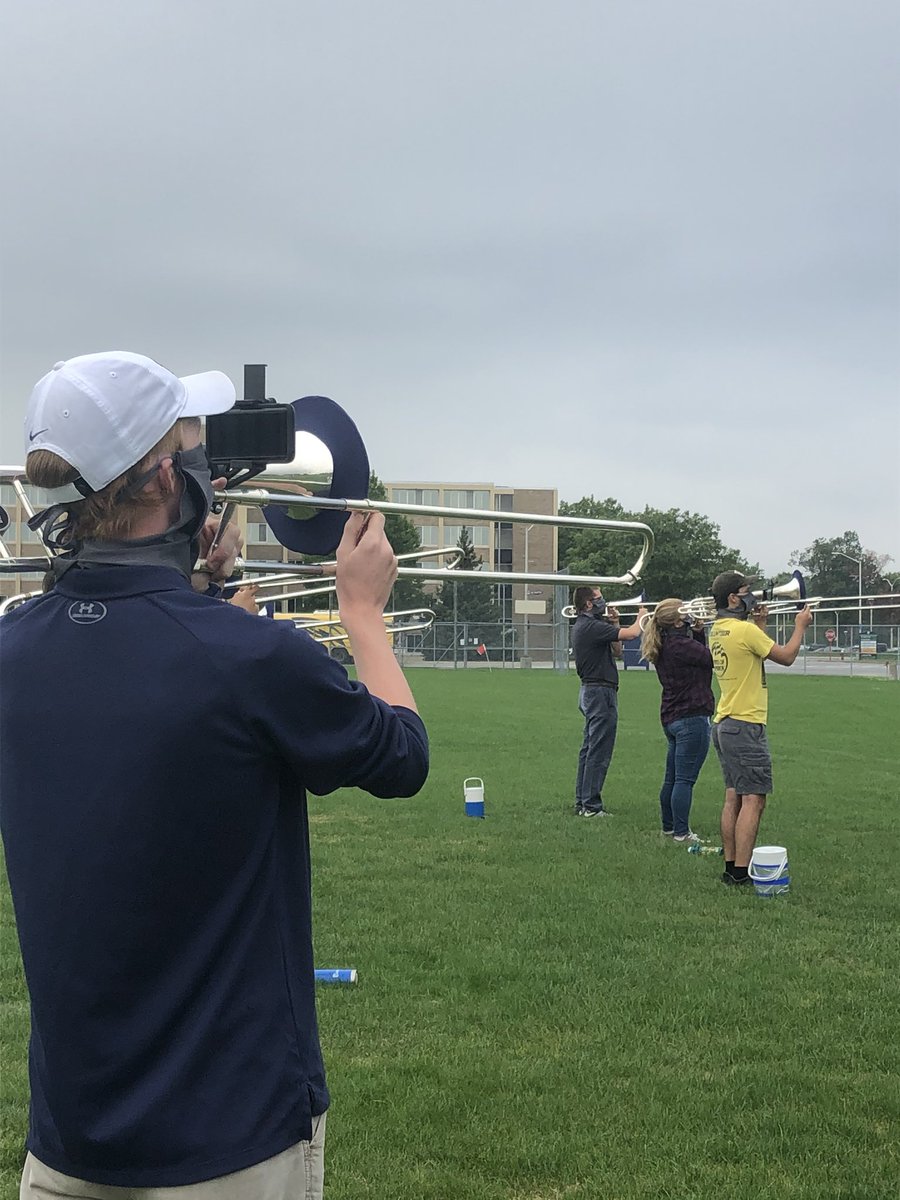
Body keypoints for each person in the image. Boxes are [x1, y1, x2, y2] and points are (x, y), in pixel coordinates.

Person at [0, 351, 429, 1199]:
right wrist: (363, 616)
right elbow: (402, 757)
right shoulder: (249, 657)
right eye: (194, 447)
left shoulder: (11, 652)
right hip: (233, 1140)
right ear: (167, 477)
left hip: (68, 1143)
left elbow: (118, 658)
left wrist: (188, 597)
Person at [708, 570, 812, 886]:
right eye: (747, 590)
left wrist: (760, 626)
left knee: (733, 797)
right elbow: (787, 657)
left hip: (725, 723)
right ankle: (742, 872)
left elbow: (749, 658)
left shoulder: (718, 629)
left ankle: (731, 867)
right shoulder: (743, 631)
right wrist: (800, 627)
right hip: (746, 725)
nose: (755, 595)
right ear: (733, 598)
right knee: (754, 798)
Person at [639, 598, 714, 842]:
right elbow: (711, 659)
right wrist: (700, 633)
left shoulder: (665, 644)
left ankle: (669, 827)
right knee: (684, 780)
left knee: (672, 777)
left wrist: (697, 632)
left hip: (672, 717)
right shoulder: (682, 645)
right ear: (679, 619)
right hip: (692, 716)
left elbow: (701, 660)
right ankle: (682, 833)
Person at [570, 586, 646, 816]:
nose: (604, 600)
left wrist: (614, 623)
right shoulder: (590, 626)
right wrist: (642, 616)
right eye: (599, 597)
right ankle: (591, 806)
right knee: (598, 750)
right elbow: (632, 634)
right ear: (589, 604)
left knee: (590, 748)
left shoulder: (592, 625)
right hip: (599, 692)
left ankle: (583, 803)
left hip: (594, 691)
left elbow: (618, 651)